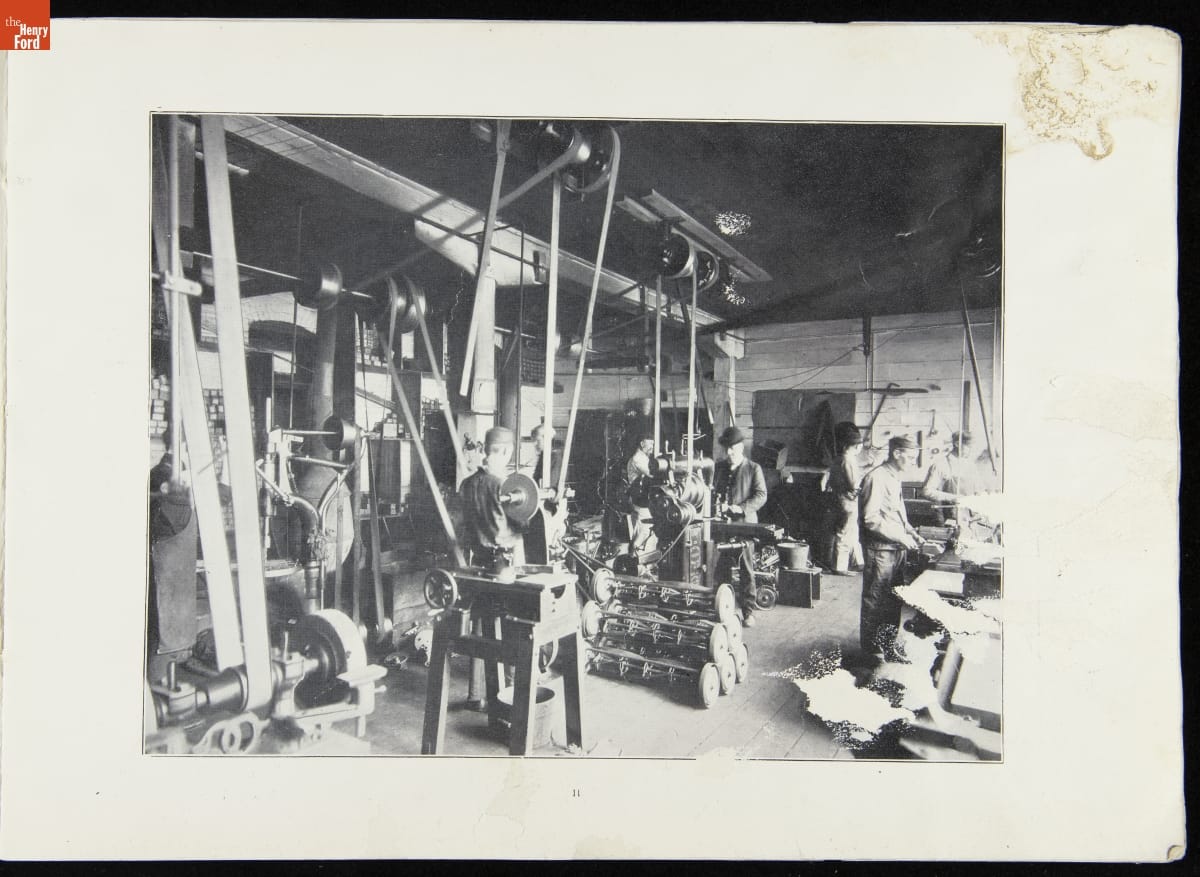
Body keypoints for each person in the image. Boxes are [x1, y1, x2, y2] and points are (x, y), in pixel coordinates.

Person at [858, 434, 924, 659]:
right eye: (911, 457)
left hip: (896, 549)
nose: (913, 462)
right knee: (876, 599)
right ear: (896, 453)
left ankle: (887, 645)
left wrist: (912, 533)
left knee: (893, 599)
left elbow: (897, 513)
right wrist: (901, 537)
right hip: (881, 551)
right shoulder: (876, 478)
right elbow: (871, 519)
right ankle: (871, 652)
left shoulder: (894, 477)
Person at [712, 426, 768, 627]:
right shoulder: (719, 467)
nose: (729, 453)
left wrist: (741, 508)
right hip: (723, 525)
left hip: (745, 526)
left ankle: (748, 611)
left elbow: (761, 495)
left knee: (746, 568)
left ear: (741, 448)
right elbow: (713, 491)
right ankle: (722, 607)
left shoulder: (753, 468)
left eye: (732, 449)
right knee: (721, 567)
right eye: (726, 449)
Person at [459, 426, 525, 571]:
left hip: (477, 558)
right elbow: (521, 523)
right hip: (506, 561)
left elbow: (463, 520)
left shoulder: (466, 484)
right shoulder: (503, 485)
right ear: (506, 451)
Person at [826, 421, 864, 575]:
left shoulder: (838, 459)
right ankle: (839, 567)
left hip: (838, 499)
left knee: (852, 531)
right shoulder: (849, 459)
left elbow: (831, 481)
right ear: (856, 445)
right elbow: (854, 484)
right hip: (848, 501)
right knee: (844, 533)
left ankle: (858, 562)